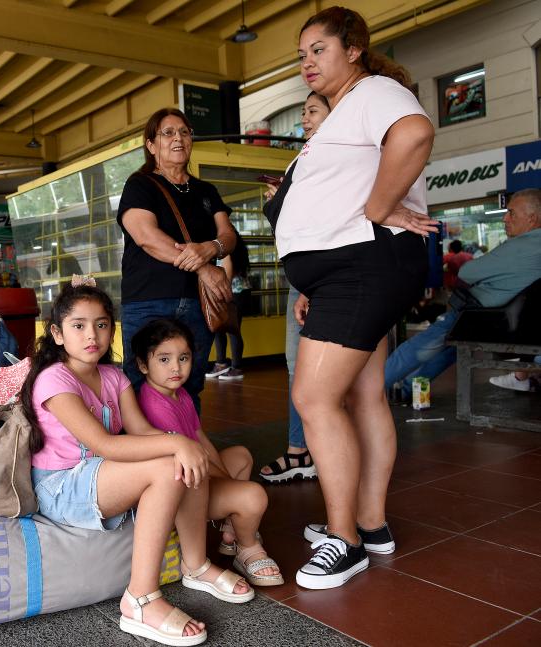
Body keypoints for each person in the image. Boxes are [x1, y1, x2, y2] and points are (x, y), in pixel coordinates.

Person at [274, 6, 440, 590]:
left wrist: (376, 208)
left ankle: (343, 541)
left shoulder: (372, 90)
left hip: (361, 267)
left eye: (318, 49)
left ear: (353, 49)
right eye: (301, 54)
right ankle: (369, 525)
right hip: (347, 272)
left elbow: (416, 133)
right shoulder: (350, 109)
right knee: (366, 394)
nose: (307, 63)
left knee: (314, 397)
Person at [21, 277, 253, 647]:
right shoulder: (54, 379)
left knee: (180, 458)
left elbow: (142, 430)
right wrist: (177, 443)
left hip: (101, 476)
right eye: (78, 326)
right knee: (172, 458)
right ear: (58, 334)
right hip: (61, 486)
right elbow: (105, 444)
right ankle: (141, 599)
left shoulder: (113, 376)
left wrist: (179, 445)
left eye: (101, 324)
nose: (91, 334)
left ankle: (196, 565)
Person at [133, 318, 282, 587]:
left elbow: (200, 438)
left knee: (241, 455)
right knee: (254, 496)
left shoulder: (180, 394)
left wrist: (226, 476)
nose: (176, 367)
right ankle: (247, 547)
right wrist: (233, 485)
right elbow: (193, 459)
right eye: (164, 359)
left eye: (184, 358)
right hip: (185, 491)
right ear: (143, 364)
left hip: (200, 475)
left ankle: (230, 529)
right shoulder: (154, 404)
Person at [118, 108, 237, 412]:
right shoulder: (140, 185)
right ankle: (146, 456)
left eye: (184, 132)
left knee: (191, 383)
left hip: (199, 304)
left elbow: (228, 236)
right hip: (148, 300)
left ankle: (188, 453)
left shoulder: (206, 190)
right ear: (151, 145)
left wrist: (210, 248)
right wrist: (205, 268)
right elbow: (146, 236)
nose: (178, 138)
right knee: (139, 386)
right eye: (168, 133)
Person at [385, 189, 541, 393]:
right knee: (453, 348)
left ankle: (369, 389)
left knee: (421, 346)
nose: (505, 218)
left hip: (484, 318)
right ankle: (408, 388)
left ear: (532, 218)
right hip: (517, 325)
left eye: (511, 212)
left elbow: (468, 272)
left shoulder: (524, 244)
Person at [258, 91, 331, 484]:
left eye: (313, 110)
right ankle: (300, 450)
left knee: (328, 374)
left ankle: (322, 451)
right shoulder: (303, 158)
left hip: (324, 277)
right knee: (294, 366)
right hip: (301, 278)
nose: (304, 117)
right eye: (302, 111)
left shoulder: (335, 157)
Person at [205, 231, 250, 381]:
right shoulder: (228, 249)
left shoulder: (227, 250)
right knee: (219, 328)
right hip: (231, 293)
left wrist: (222, 294)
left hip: (234, 293)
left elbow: (227, 273)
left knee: (232, 330)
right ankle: (221, 363)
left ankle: (236, 368)